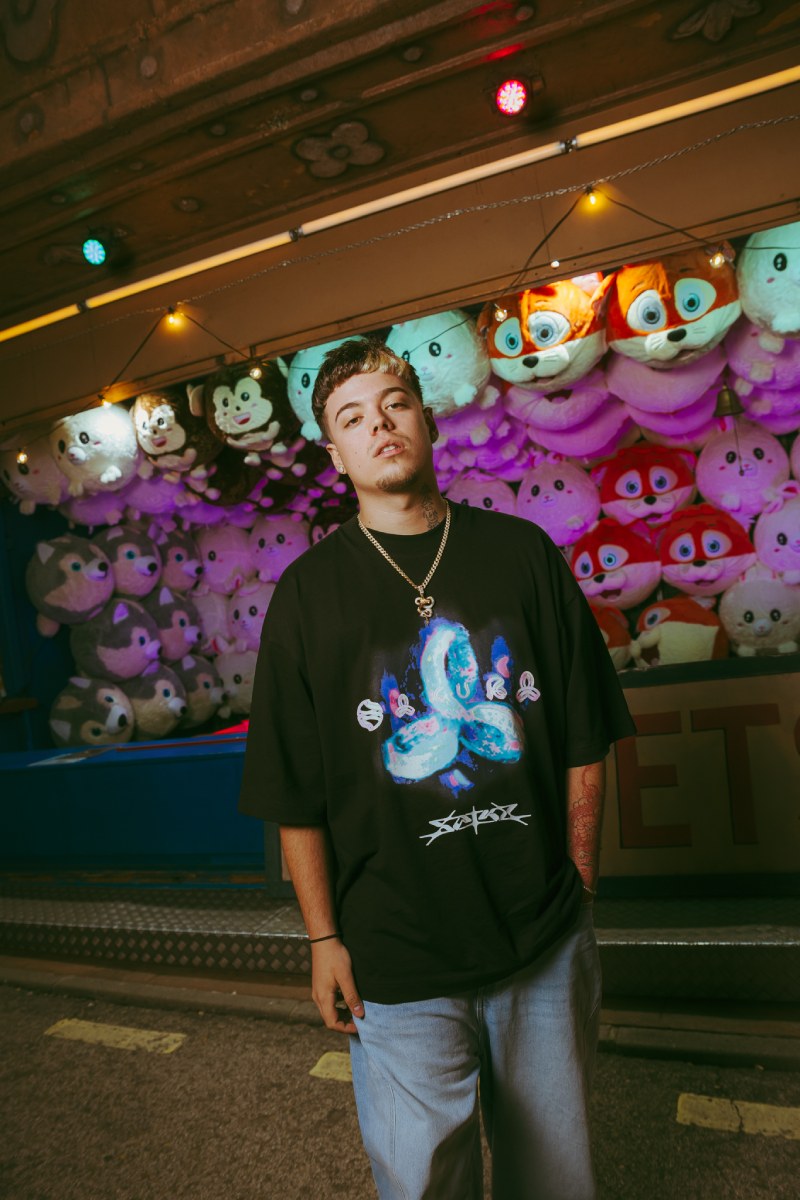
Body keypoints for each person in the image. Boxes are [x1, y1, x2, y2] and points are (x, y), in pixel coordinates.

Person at [239, 336, 636, 1200]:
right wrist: (323, 940)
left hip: (541, 935)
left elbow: (584, 735)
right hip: (394, 956)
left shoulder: (522, 554)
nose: (379, 426)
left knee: (556, 1180)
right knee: (425, 1186)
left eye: (395, 405)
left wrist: (580, 881)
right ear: (335, 452)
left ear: (427, 419)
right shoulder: (305, 597)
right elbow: (295, 795)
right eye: (353, 418)